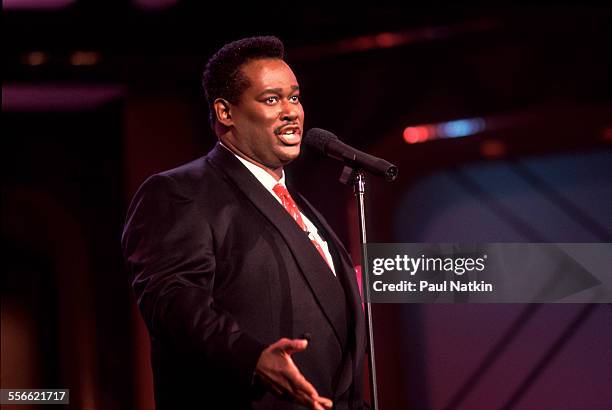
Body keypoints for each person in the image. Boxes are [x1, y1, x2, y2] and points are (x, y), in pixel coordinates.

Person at [121, 36, 367, 410]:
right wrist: (251, 357)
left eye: (295, 97)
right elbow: (173, 299)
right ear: (226, 112)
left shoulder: (300, 207)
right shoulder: (180, 192)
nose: (291, 112)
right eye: (272, 99)